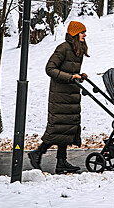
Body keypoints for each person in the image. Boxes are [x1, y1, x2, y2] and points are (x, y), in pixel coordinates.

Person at [28, 21, 89, 174]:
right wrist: (70, 77)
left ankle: (61, 163)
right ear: (75, 34)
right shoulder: (63, 48)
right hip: (60, 94)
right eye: (82, 32)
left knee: (66, 128)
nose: (85, 35)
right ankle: (38, 152)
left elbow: (70, 71)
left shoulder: (77, 49)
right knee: (57, 127)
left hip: (70, 94)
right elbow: (50, 68)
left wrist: (79, 76)